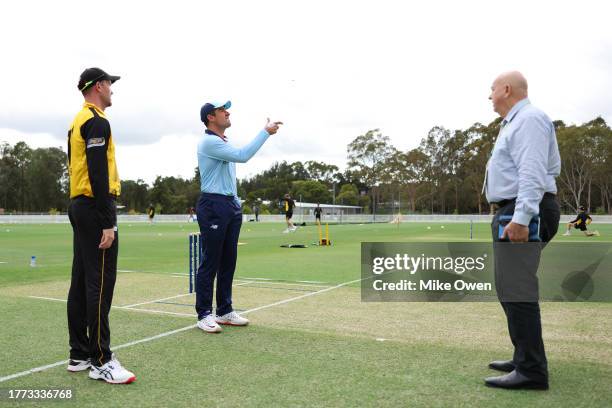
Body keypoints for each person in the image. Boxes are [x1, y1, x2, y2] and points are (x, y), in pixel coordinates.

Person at [483, 71, 561, 390]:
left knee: (516, 289)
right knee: (509, 288)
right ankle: (523, 356)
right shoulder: (514, 122)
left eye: (491, 90)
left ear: (505, 89)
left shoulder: (528, 119)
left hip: (523, 210)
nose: (489, 96)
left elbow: (532, 171)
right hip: (513, 210)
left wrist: (522, 216)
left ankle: (531, 370)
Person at [66, 67, 135, 384]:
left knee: (82, 280)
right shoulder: (96, 120)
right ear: (96, 87)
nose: (112, 89)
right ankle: (101, 359)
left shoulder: (79, 119)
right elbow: (98, 173)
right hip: (94, 207)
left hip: (80, 206)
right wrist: (108, 220)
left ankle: (79, 354)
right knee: (100, 284)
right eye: (109, 83)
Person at [195, 100, 282, 333]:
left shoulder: (223, 141)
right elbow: (243, 156)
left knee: (228, 261)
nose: (227, 112)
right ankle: (204, 313)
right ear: (210, 117)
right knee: (210, 261)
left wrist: (235, 201)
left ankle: (224, 310)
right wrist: (265, 133)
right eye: (222, 110)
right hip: (213, 205)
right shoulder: (209, 141)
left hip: (230, 204)